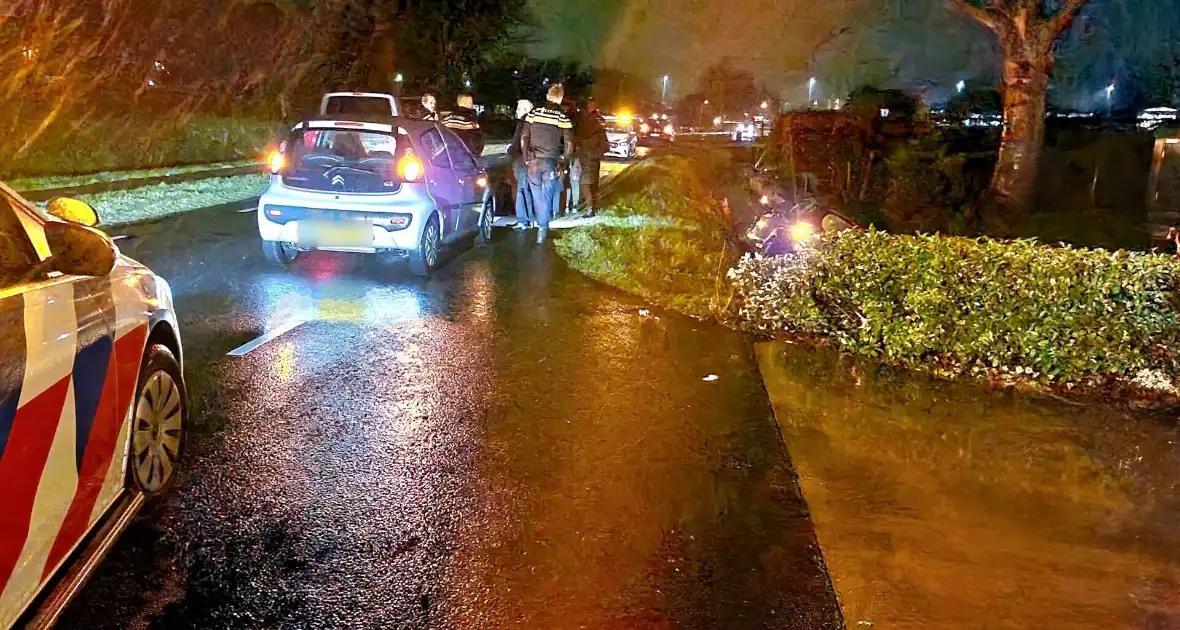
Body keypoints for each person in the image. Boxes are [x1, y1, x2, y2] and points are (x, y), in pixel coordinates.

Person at [521, 83, 574, 244]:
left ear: (547, 96)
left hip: (533, 161)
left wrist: (526, 158)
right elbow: (569, 143)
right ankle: (543, 230)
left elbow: (524, 137)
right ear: (561, 98)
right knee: (547, 196)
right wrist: (563, 161)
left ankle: (542, 227)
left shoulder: (533, 113)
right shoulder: (562, 117)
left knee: (537, 195)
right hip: (551, 162)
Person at [574, 98, 609, 216]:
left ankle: (590, 209)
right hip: (593, 157)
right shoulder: (599, 120)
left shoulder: (589, 121)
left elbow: (580, 136)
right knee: (592, 183)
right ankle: (591, 207)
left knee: (585, 183)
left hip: (588, 157)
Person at [508, 99, 535, 230]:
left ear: (525, 109)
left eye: (519, 108)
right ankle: (529, 219)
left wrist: (510, 150)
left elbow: (518, 142)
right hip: (530, 158)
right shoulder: (533, 121)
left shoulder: (522, 123)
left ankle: (523, 221)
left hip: (520, 159)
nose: (517, 111)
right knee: (527, 189)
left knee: (521, 190)